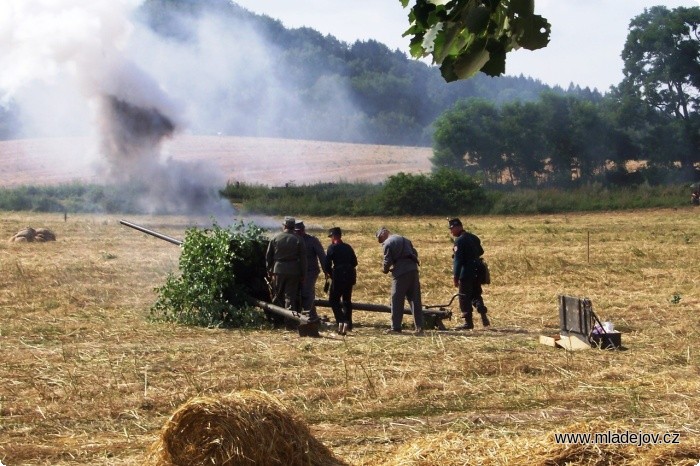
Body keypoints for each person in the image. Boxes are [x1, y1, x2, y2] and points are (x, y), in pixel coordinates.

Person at [375, 227, 424, 335]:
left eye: (380, 239)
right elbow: (414, 253)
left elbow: (387, 260)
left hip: (400, 273)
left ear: (383, 234)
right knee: (415, 299)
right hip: (413, 270)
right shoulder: (405, 239)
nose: (381, 242)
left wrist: (385, 269)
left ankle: (396, 327)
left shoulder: (387, 243)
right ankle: (419, 327)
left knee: (396, 299)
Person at [448, 218, 490, 330]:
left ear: (458, 227)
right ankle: (482, 311)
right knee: (476, 293)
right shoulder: (473, 237)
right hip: (478, 270)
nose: (451, 232)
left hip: (466, 272)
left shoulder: (459, 241)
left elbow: (457, 261)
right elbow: (481, 251)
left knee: (463, 297)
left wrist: (455, 277)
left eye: (452, 229)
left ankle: (468, 322)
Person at [265, 216, 307, 314]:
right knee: (290, 297)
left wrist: (269, 270)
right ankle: (289, 321)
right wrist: (303, 274)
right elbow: (303, 259)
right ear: (293, 227)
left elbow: (268, 256)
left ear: (284, 226)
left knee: (277, 294)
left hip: (278, 270)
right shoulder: (299, 239)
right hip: (294, 271)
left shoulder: (275, 238)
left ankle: (276, 319)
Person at [323, 227, 358, 335]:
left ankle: (341, 320)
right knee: (347, 300)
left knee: (333, 300)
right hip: (350, 275)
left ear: (333, 237)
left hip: (338, 276)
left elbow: (327, 265)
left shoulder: (332, 248)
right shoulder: (348, 247)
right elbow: (355, 262)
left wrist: (330, 273)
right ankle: (349, 324)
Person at [294, 220, 326, 322]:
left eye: (299, 230)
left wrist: (326, 271)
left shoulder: (312, 240)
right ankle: (303, 315)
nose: (298, 232)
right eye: (296, 231)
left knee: (306, 293)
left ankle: (311, 317)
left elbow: (322, 256)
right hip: (297, 272)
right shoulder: (293, 240)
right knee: (298, 294)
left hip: (310, 271)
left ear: (303, 230)